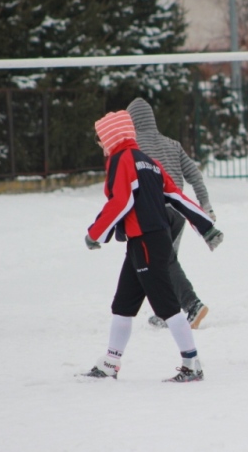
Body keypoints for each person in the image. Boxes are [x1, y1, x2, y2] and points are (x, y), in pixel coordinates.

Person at [81, 110, 224, 382]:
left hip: (146, 239)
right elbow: (177, 198)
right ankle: (111, 362)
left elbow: (120, 201)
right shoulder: (150, 162)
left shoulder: (120, 160)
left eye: (101, 138)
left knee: (167, 305)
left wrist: (96, 234)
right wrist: (207, 227)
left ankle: (192, 363)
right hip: (145, 240)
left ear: (112, 137)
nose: (101, 144)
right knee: (123, 303)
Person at [127, 97, 215, 329]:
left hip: (153, 214)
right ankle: (168, 312)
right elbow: (195, 176)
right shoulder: (172, 144)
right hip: (177, 213)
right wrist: (205, 205)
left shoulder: (133, 148)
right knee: (162, 262)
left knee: (163, 262)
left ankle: (192, 304)